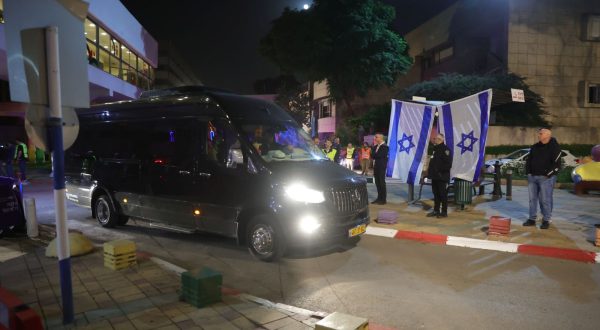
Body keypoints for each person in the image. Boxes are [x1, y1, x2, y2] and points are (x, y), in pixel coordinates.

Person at [523, 128, 561, 229]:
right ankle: (532, 219)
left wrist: (547, 174)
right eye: (539, 133)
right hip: (533, 177)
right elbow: (529, 160)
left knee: (545, 199)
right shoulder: (535, 147)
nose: (538, 135)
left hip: (546, 178)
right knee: (532, 199)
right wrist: (528, 173)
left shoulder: (555, 147)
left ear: (547, 135)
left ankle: (546, 219)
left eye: (541, 133)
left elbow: (557, 164)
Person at [426, 134, 452, 218]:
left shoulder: (445, 150)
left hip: (442, 176)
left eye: (435, 138)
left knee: (443, 195)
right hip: (434, 176)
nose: (434, 140)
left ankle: (444, 212)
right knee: (436, 194)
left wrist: (439, 171)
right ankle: (436, 210)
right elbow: (433, 162)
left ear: (440, 140)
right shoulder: (435, 149)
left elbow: (448, 164)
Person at [371, 134, 388, 205]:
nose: (375, 138)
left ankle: (383, 199)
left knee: (381, 182)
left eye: (376, 137)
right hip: (376, 166)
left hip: (381, 167)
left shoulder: (385, 147)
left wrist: (374, 155)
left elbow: (379, 155)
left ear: (381, 138)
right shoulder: (375, 146)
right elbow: (372, 156)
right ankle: (379, 198)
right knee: (377, 182)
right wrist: (374, 155)